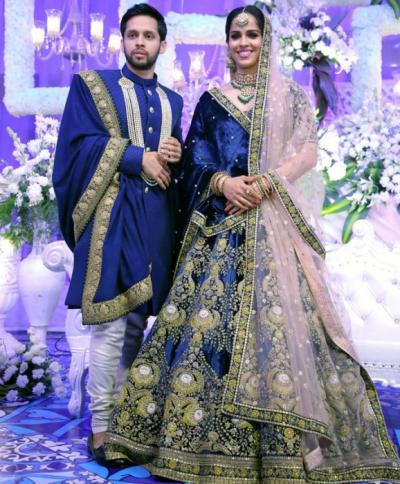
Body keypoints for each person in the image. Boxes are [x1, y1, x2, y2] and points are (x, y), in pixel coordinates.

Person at [105, 5, 400, 482]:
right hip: (222, 225)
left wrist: (265, 183)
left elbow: (307, 150)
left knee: (286, 337)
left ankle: (290, 449)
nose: (244, 42)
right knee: (201, 334)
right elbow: (195, 159)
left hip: (274, 226)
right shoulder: (212, 100)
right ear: (227, 43)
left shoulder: (290, 96)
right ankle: (190, 444)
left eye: (252, 34)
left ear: (266, 40)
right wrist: (224, 183)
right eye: (236, 35)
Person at [53, 3, 183, 465]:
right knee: (110, 324)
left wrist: (175, 153)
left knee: (136, 324)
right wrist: (135, 157)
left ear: (162, 44)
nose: (140, 42)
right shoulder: (93, 86)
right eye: (133, 35)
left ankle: (125, 421)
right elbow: (76, 146)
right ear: (122, 40)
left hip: (156, 223)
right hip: (112, 220)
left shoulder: (173, 101)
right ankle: (102, 428)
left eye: (149, 35)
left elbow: (174, 167)